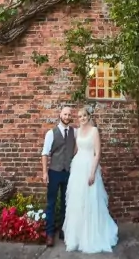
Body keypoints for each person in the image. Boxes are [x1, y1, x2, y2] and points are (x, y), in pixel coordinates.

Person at [62, 106, 119, 253]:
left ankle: (93, 235)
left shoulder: (94, 131)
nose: (82, 118)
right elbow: (75, 150)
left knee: (91, 201)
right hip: (78, 168)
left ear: (89, 117)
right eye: (79, 116)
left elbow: (97, 153)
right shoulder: (77, 131)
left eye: (84, 116)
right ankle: (78, 237)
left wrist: (92, 172)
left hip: (89, 167)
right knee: (78, 201)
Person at [41, 105, 76, 247]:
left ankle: (63, 229)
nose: (67, 117)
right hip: (54, 172)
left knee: (65, 203)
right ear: (60, 115)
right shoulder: (51, 133)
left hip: (68, 173)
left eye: (69, 114)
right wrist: (44, 172)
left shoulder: (75, 132)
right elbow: (44, 154)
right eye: (65, 114)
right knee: (51, 203)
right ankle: (49, 234)